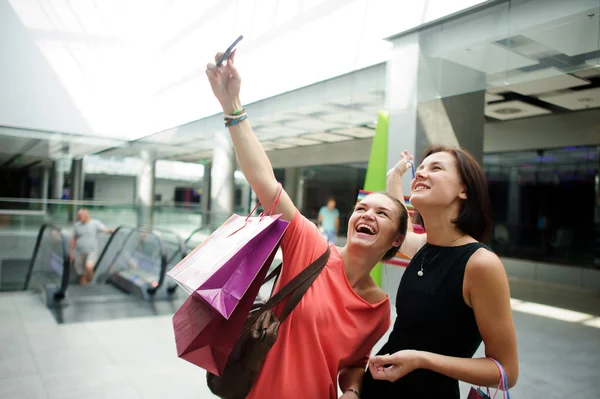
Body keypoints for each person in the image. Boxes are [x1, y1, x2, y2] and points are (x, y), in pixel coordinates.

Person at [206, 51, 408, 399]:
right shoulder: (311, 248)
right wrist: (233, 106)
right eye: (361, 208)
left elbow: (355, 363)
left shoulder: (379, 310)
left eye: (381, 213)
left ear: (396, 239)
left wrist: (353, 391)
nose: (366, 215)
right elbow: (266, 184)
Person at [360, 148, 519, 398]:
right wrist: (394, 177)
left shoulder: (480, 264)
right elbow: (401, 230)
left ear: (463, 190)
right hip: (377, 389)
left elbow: (506, 372)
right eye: (420, 168)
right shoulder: (425, 247)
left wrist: (422, 360)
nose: (421, 172)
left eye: (435, 168)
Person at [69, 208, 113, 285]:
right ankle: (83, 286)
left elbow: (104, 229)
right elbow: (74, 239)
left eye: (80, 216)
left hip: (91, 251)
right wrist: (71, 253)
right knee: (80, 272)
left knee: (89, 266)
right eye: (78, 216)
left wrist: (111, 231)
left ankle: (89, 281)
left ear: (86, 215)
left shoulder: (94, 223)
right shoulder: (77, 225)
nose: (78, 217)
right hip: (79, 251)